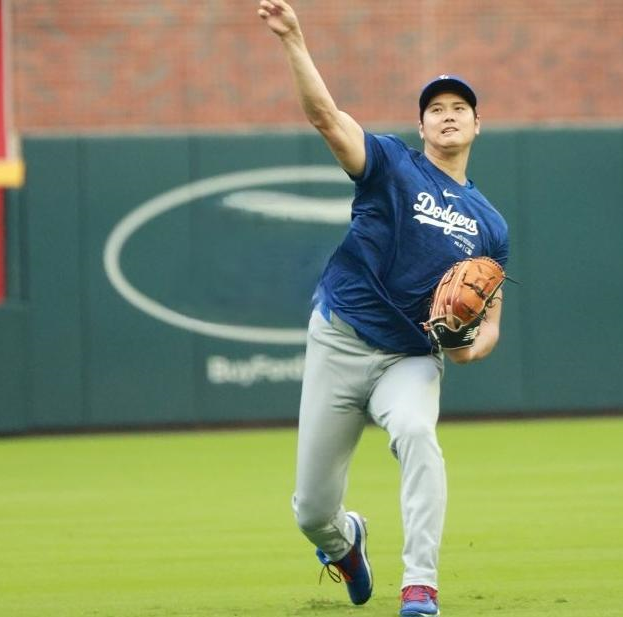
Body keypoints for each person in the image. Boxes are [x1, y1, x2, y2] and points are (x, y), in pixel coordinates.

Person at [258, 1, 510, 615]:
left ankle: (420, 583)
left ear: (478, 125)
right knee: (313, 511)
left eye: (459, 110)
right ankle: (345, 545)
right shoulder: (391, 165)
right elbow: (324, 116)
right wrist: (293, 38)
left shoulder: (490, 225)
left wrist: (469, 346)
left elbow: (491, 325)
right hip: (340, 339)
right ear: (421, 127)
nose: (447, 117)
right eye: (436, 110)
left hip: (411, 357)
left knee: (419, 434)